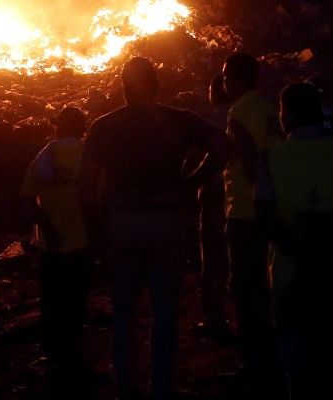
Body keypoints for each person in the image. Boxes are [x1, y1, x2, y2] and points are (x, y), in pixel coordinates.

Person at [80, 57, 234, 400]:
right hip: (167, 220)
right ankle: (162, 387)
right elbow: (224, 146)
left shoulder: (105, 125)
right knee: (165, 309)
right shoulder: (178, 120)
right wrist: (194, 180)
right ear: (156, 86)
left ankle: (126, 386)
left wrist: (95, 227)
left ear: (123, 89)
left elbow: (86, 182)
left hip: (122, 221)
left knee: (124, 309)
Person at [256, 82, 333, 400]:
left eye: (281, 110)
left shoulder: (272, 158)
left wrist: (301, 253)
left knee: (298, 362)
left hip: (290, 273)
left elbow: (264, 216)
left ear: (289, 114)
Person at [221, 51, 283, 393]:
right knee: (265, 285)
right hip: (273, 205)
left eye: (227, 76)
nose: (224, 82)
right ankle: (272, 355)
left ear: (240, 79)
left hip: (245, 211)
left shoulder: (240, 111)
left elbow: (247, 160)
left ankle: (255, 365)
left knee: (245, 289)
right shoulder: (268, 108)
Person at [21, 106, 93, 393]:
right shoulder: (91, 155)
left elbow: (26, 198)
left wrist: (47, 228)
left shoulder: (44, 156)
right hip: (82, 242)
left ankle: (55, 358)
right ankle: (73, 356)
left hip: (51, 246)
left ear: (59, 128)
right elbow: (100, 198)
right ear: (82, 128)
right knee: (77, 301)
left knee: (52, 301)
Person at [193, 73, 233, 341]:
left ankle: (215, 318)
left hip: (216, 196)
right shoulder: (247, 117)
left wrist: (190, 182)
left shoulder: (209, 124)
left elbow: (195, 158)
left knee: (214, 259)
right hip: (245, 198)